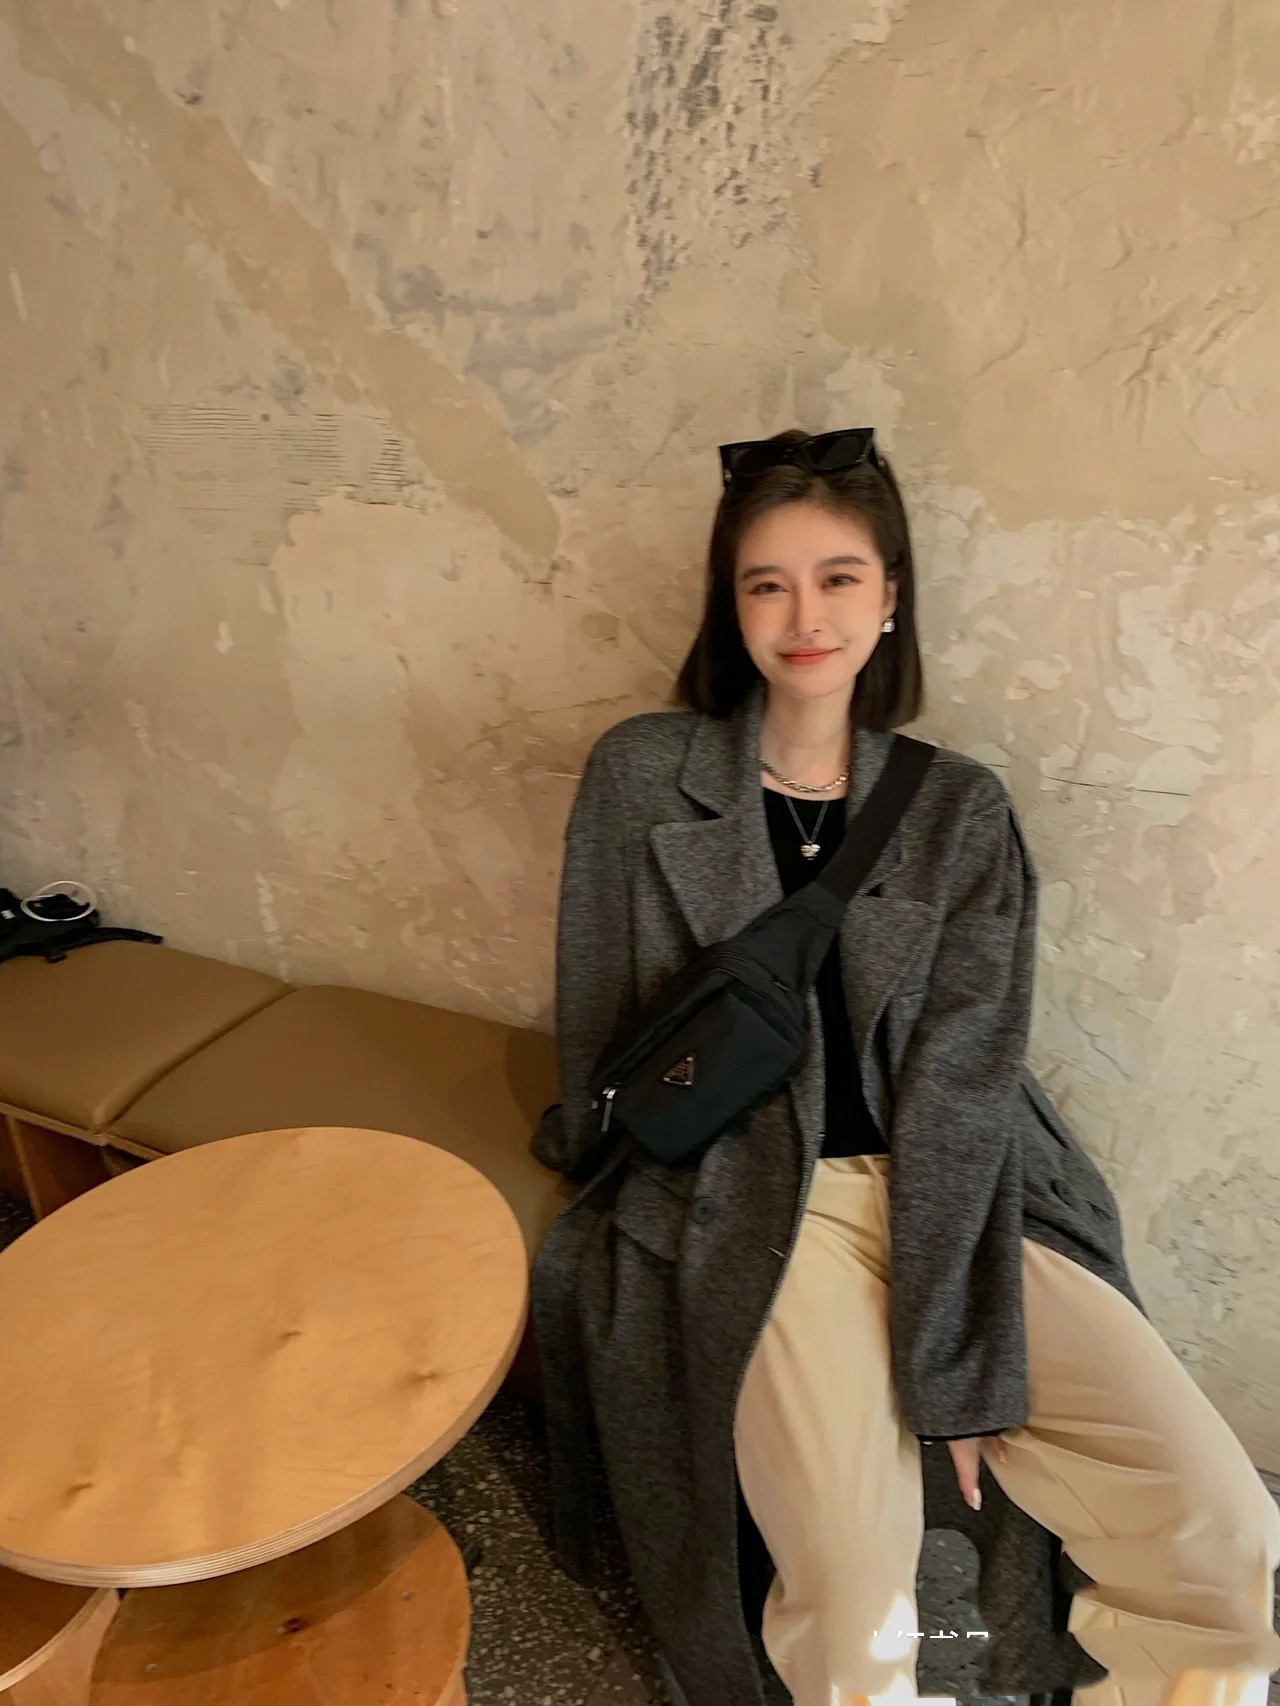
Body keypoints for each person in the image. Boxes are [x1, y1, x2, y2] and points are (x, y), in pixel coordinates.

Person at [530, 426, 1280, 1706]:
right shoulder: (642, 775)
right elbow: (601, 1021)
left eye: (837, 577)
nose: (802, 615)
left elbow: (962, 1082)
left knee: (1219, 1526)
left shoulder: (956, 806)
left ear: (889, 598)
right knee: (850, 1589)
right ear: (730, 605)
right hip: (750, 1194)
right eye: (766, 583)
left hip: (969, 1189)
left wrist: (953, 1354)